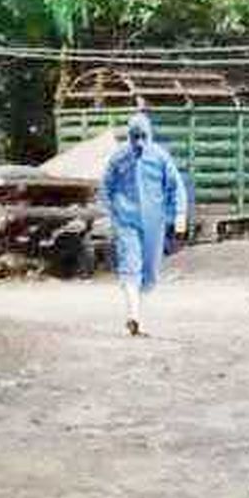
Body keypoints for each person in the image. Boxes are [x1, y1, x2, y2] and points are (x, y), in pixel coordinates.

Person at [100, 112, 188, 337]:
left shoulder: (159, 158)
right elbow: (106, 187)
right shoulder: (119, 158)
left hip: (153, 222)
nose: (138, 142)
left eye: (142, 136)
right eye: (134, 136)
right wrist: (111, 213)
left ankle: (138, 312)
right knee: (130, 265)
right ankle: (133, 316)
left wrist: (179, 215)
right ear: (129, 135)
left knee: (149, 271)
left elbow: (176, 186)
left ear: (149, 135)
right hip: (126, 221)